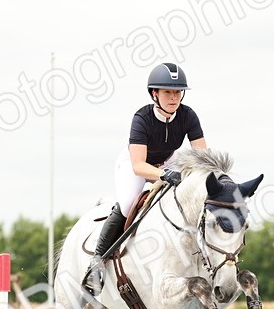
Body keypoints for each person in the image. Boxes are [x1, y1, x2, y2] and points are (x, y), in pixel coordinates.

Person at [85, 62, 209, 294]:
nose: (174, 97)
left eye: (178, 92)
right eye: (167, 92)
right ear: (155, 94)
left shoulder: (188, 115)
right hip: (135, 164)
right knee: (127, 205)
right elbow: (139, 165)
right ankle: (97, 261)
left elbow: (202, 155)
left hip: (168, 161)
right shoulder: (142, 118)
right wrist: (165, 174)